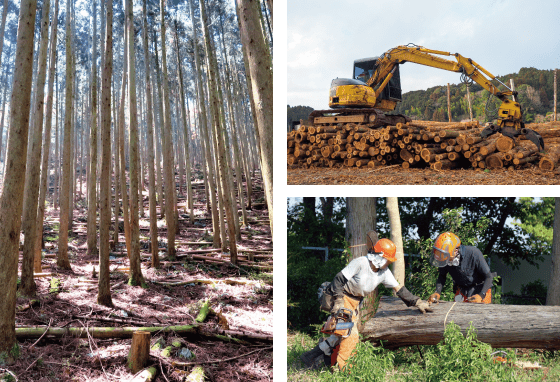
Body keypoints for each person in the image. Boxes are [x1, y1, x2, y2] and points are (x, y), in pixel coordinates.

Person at [301, 232, 432, 371]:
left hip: (355, 303)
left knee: (339, 333)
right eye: (387, 259)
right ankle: (343, 369)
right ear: (380, 257)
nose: (388, 262)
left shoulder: (384, 272)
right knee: (350, 333)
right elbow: (338, 279)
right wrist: (338, 300)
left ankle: (311, 356)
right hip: (343, 298)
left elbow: (399, 288)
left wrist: (417, 302)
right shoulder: (361, 263)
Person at [427, 232, 495, 304]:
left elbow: (489, 277)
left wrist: (481, 295)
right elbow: (442, 275)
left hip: (481, 290)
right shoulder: (445, 256)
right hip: (462, 290)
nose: (443, 258)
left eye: (446, 256)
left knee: (480, 314)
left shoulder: (474, 253)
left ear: (456, 250)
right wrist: (437, 292)